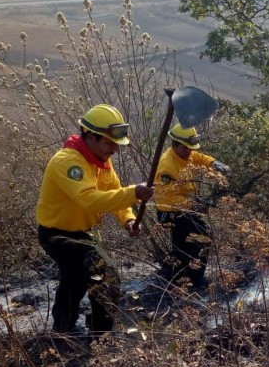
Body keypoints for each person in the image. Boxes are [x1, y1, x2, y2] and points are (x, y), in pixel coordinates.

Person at [36, 104, 154, 340]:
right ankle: (101, 337)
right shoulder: (68, 163)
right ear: (90, 136)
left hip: (82, 232)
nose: (115, 150)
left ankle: (63, 329)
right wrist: (134, 192)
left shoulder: (101, 159)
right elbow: (90, 200)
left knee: (75, 279)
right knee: (107, 278)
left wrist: (129, 219)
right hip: (58, 234)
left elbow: (115, 194)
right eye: (110, 143)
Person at [154, 123, 230, 291]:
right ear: (174, 144)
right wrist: (193, 204)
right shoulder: (167, 165)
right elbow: (167, 198)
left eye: (190, 147)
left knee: (183, 247)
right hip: (172, 212)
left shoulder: (184, 153)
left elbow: (198, 157)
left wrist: (213, 163)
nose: (189, 151)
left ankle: (178, 278)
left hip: (185, 208)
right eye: (186, 148)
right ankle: (195, 282)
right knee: (202, 238)